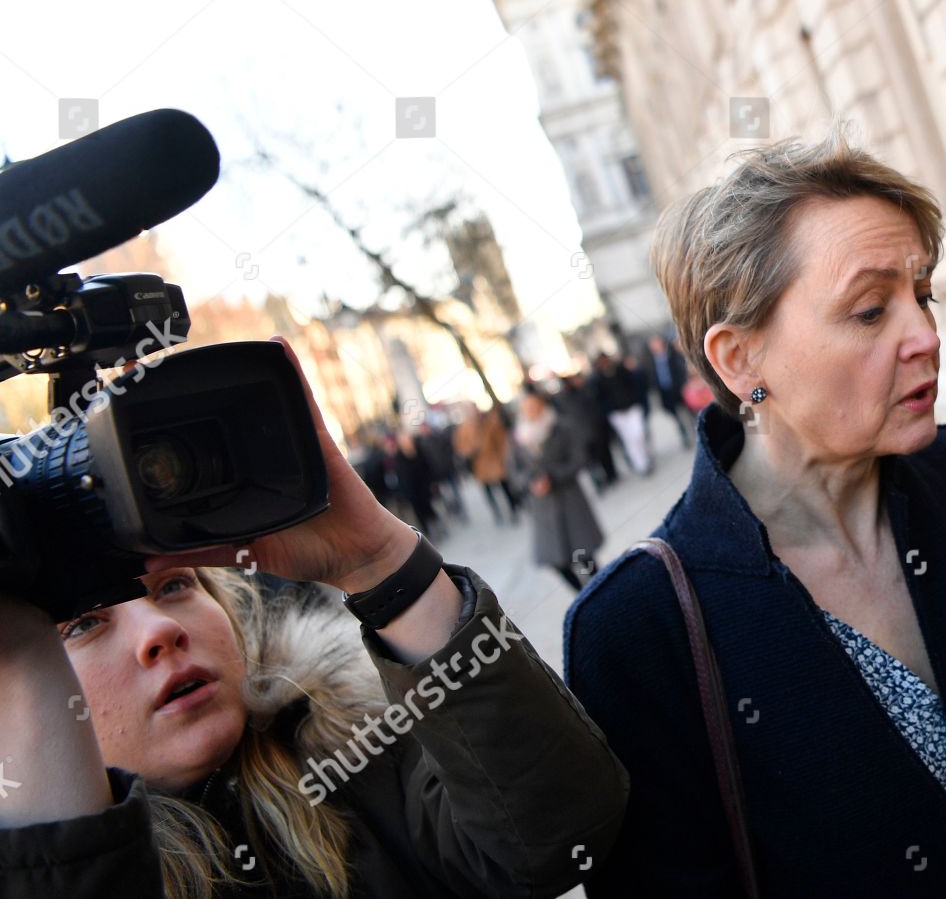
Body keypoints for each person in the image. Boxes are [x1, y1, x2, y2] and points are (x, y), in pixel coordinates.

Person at [564, 133, 946, 896]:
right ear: (740, 360)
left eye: (921, 295)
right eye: (870, 310)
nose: (926, 337)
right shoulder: (640, 627)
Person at [0, 337, 628, 897]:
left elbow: (557, 837)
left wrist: (380, 565)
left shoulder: (355, 749)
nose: (159, 630)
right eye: (83, 624)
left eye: (175, 587)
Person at [512, 385, 605, 592]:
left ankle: (599, 593)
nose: (530, 410)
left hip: (570, 502)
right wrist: (530, 481)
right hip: (543, 510)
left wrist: (553, 477)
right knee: (557, 562)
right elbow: (515, 471)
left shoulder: (561, 427)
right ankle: (581, 595)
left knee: (584, 557)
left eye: (534, 406)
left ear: (542, 405)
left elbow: (579, 459)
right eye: (525, 407)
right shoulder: (519, 436)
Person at [454, 402, 521, 525]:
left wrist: (503, 456)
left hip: (495, 460)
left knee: (504, 487)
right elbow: (461, 447)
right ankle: (497, 513)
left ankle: (513, 510)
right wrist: (470, 451)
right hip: (480, 464)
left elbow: (501, 439)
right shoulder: (464, 428)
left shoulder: (490, 422)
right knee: (487, 491)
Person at [647, 334, 694, 448]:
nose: (654, 347)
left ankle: (694, 429)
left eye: (656, 344)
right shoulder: (652, 360)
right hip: (665, 391)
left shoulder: (672, 355)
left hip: (678, 388)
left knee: (688, 411)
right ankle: (684, 434)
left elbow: (681, 369)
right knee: (676, 416)